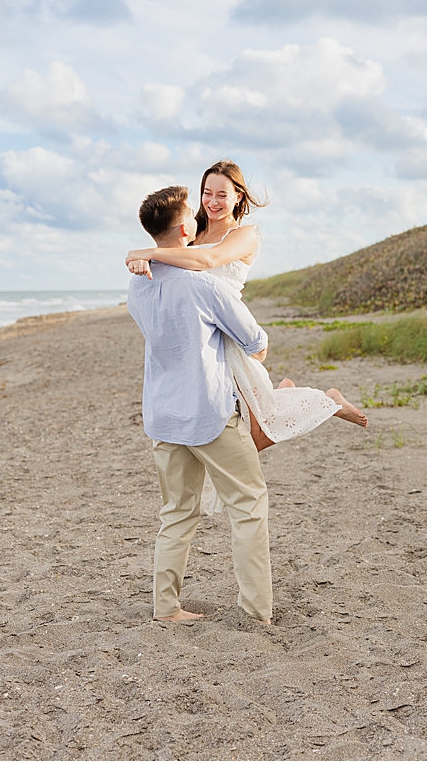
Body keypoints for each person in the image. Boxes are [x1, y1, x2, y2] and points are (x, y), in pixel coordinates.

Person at [124, 161, 367, 458]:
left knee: (250, 439)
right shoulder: (192, 232)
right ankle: (286, 394)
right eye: (207, 193)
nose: (212, 202)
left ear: (238, 196)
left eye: (222, 195)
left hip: (229, 329)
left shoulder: (244, 234)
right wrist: (142, 260)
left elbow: (209, 260)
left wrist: (148, 252)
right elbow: (171, 256)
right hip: (201, 336)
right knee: (237, 434)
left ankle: (329, 401)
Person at [125, 184, 276, 626]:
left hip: (162, 415)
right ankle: (256, 612)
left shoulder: (137, 285)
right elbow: (256, 342)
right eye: (192, 212)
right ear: (185, 229)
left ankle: (166, 608)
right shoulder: (204, 285)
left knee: (176, 514)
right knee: (248, 506)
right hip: (208, 414)